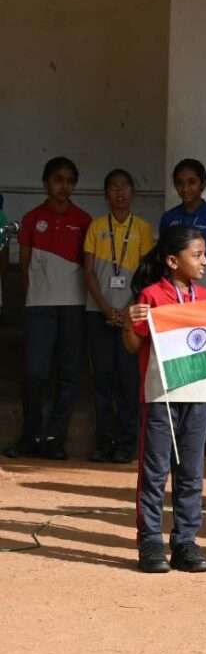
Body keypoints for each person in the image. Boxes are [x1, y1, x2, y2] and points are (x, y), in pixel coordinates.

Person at [123, 225, 206, 573]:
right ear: (173, 261)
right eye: (198, 255)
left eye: (205, 254)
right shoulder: (151, 295)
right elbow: (132, 346)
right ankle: (150, 542)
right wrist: (129, 322)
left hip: (197, 394)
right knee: (154, 471)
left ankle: (185, 542)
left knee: (191, 472)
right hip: (160, 394)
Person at [6, 156, 91, 460]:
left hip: (73, 307)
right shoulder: (32, 218)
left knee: (68, 374)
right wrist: (32, 298)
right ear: (46, 183)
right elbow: (24, 264)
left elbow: (88, 266)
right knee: (35, 373)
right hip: (39, 307)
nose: (63, 186)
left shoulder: (84, 220)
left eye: (69, 181)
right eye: (58, 180)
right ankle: (30, 437)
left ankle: (55, 440)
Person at [82, 169, 156, 464]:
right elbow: (88, 271)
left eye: (124, 187)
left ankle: (127, 443)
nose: (119, 193)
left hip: (130, 315)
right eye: (113, 187)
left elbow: (147, 274)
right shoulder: (96, 226)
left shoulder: (143, 228)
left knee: (128, 380)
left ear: (133, 193)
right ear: (106, 194)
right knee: (102, 380)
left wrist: (128, 310)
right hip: (98, 313)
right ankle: (104, 443)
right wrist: (104, 306)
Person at [159, 158, 206, 293]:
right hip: (174, 284)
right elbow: (162, 256)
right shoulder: (169, 218)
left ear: (203, 184)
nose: (185, 188)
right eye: (180, 183)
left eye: (192, 182)